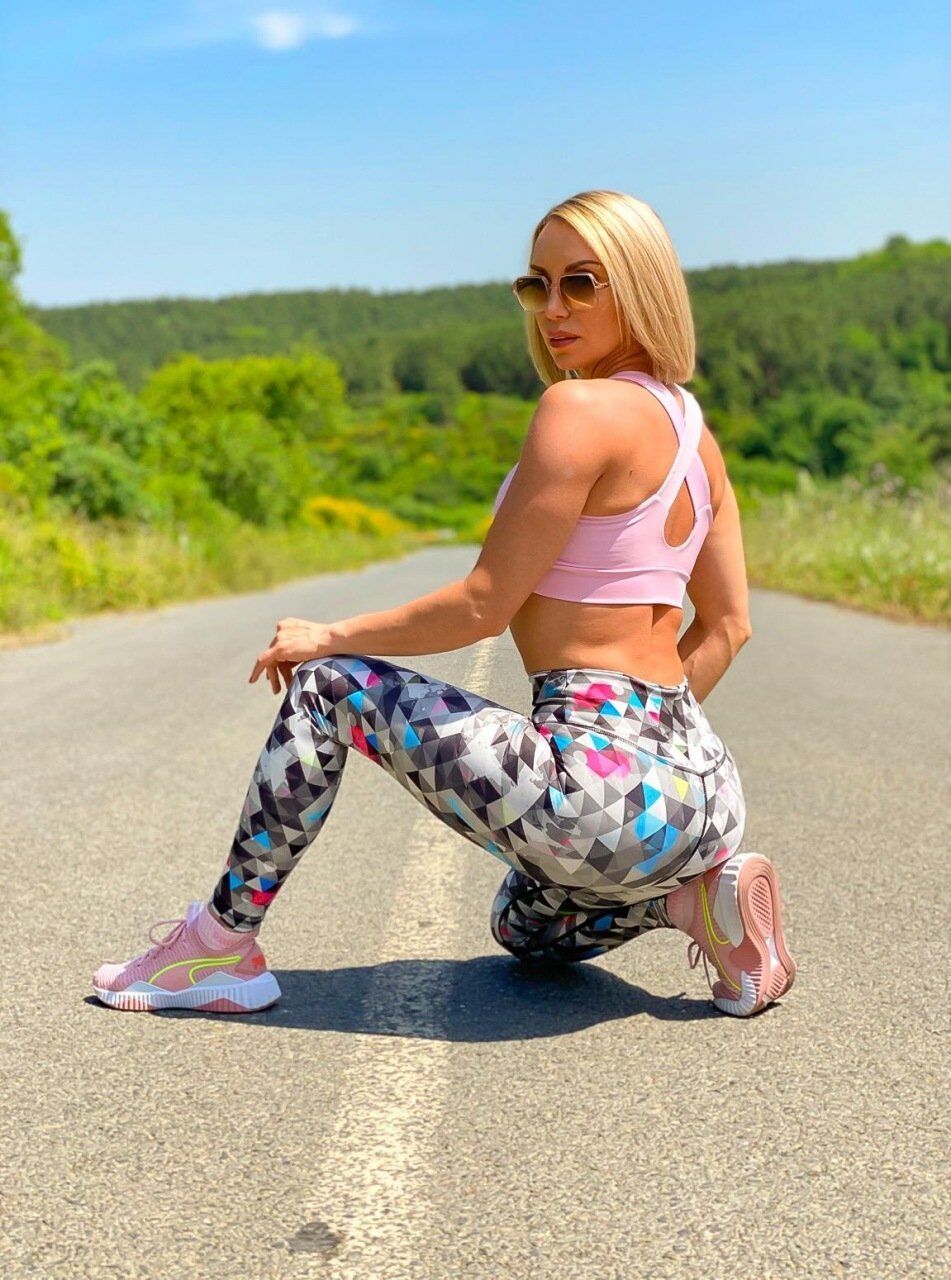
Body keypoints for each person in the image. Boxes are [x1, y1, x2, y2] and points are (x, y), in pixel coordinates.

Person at [92, 189, 796, 1018]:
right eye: (535, 285)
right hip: (703, 791)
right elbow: (729, 626)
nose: (552, 309)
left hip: (602, 784)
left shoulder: (576, 408)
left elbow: (482, 605)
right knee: (522, 926)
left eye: (580, 283)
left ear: (640, 285)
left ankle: (217, 947)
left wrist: (328, 634)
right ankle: (693, 899)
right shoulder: (695, 436)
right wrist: (644, 772)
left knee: (327, 686)